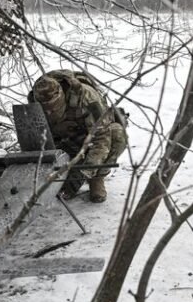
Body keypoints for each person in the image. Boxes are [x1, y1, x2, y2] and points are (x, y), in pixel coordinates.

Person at [29, 70, 128, 203]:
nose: (49, 112)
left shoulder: (87, 97)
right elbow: (37, 135)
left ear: (62, 97)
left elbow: (101, 137)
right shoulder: (34, 99)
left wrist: (87, 171)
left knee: (117, 134)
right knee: (62, 190)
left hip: (89, 138)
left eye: (53, 109)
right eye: (45, 110)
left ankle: (97, 178)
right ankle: (65, 176)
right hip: (63, 141)